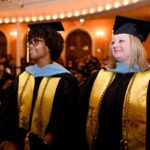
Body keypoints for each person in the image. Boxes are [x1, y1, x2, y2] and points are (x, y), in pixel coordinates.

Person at [0, 21, 83, 150]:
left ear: (49, 46)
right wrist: (9, 138)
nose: (30, 46)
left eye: (36, 42)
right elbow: (9, 111)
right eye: (30, 42)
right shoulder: (23, 76)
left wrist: (43, 144)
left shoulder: (65, 80)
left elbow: (65, 120)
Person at [80, 15, 150, 150]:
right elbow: (81, 114)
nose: (115, 45)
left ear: (135, 45)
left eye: (121, 41)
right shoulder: (98, 77)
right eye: (113, 42)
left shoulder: (148, 79)